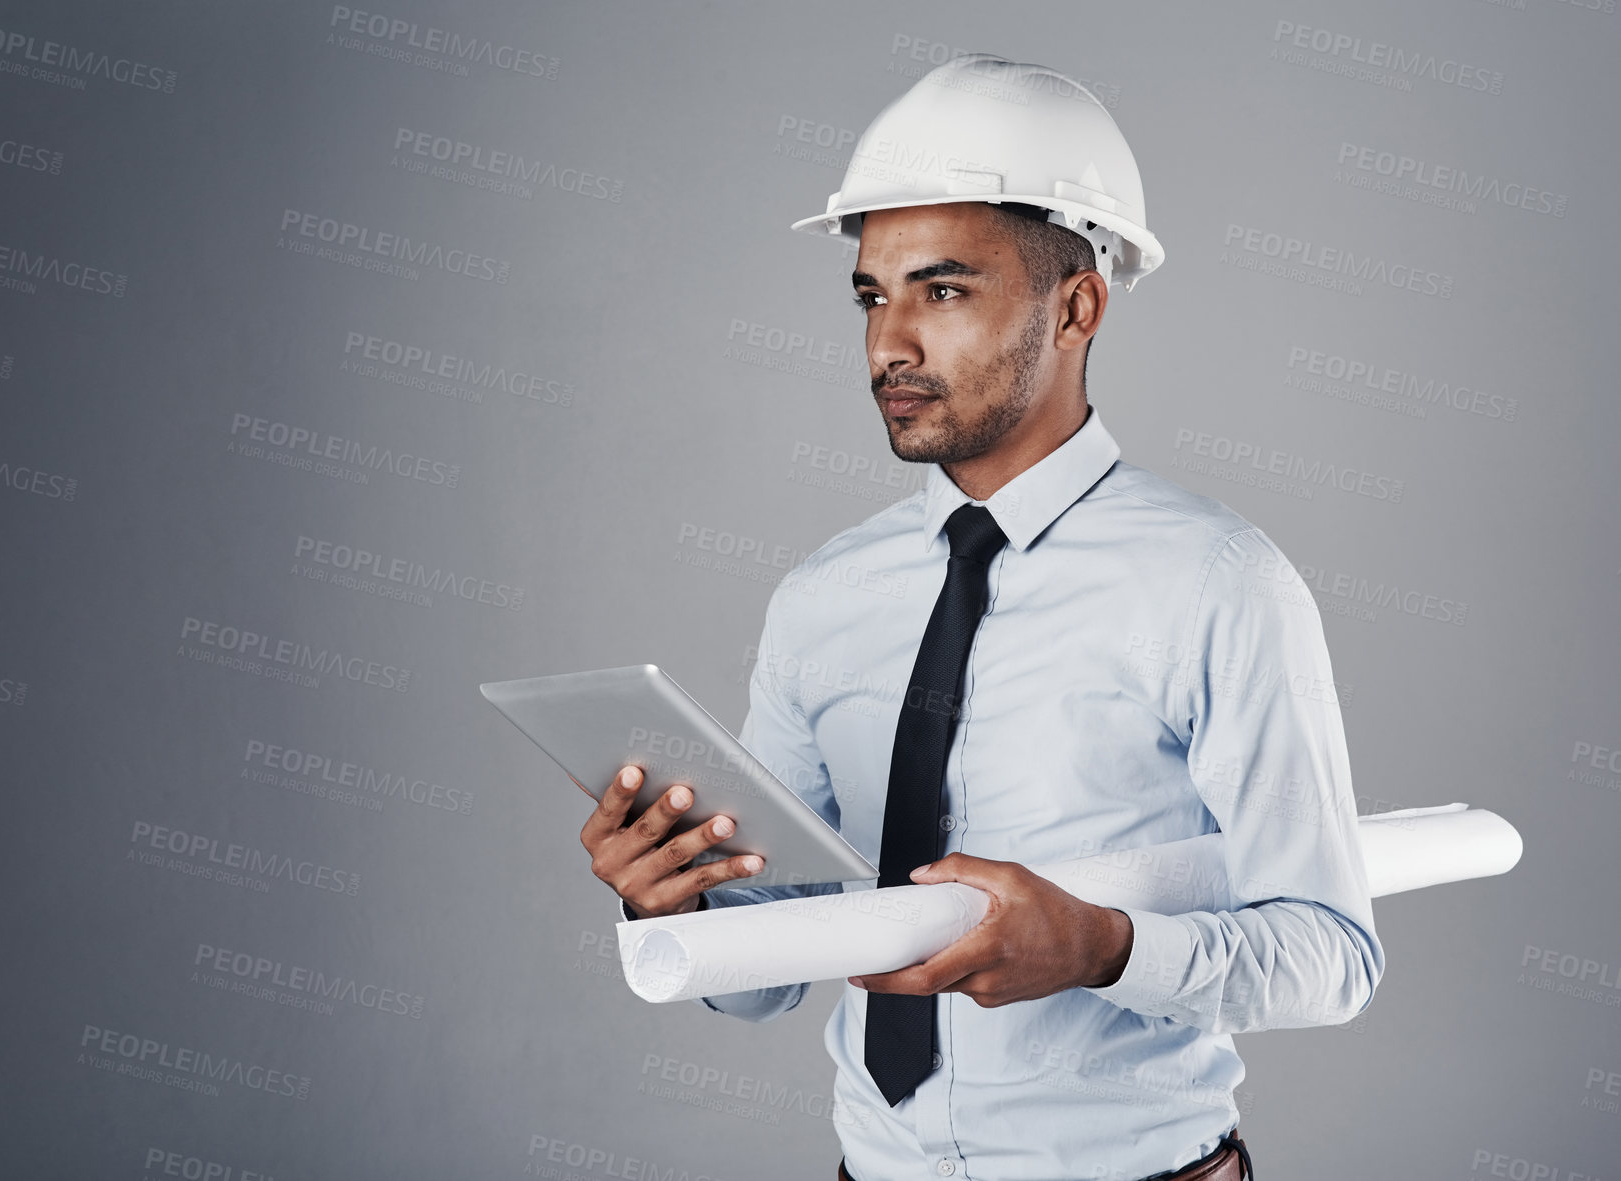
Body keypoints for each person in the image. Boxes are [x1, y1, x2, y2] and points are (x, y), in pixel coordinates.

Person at [580, 54, 1382, 1181]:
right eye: (873, 293)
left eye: (942, 290)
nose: (887, 343)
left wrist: (1105, 947)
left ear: (1077, 305)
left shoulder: (1219, 581)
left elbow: (1332, 954)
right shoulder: (822, 597)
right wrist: (670, 898)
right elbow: (757, 978)